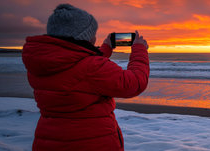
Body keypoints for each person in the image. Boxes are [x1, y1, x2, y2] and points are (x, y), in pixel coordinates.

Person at [22, 4, 149, 151]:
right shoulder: (91, 68)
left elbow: (78, 67)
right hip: (91, 143)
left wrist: (106, 48)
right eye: (92, 33)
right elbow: (133, 83)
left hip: (48, 141)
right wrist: (139, 50)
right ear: (84, 37)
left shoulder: (42, 64)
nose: (95, 37)